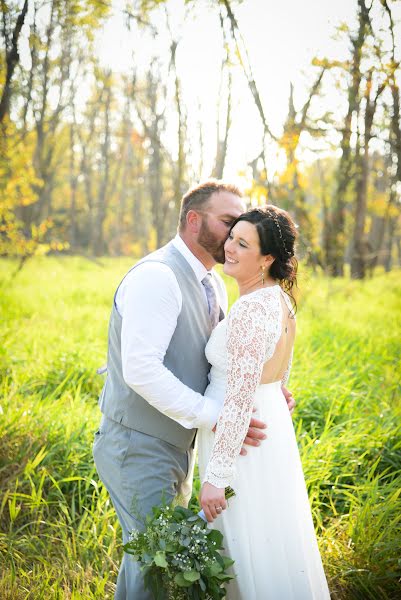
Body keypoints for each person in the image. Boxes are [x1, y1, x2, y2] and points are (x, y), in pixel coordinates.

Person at [93, 181, 295, 599]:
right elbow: (141, 369)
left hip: (181, 445)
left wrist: (266, 392)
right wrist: (216, 415)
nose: (235, 231)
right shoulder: (158, 277)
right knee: (154, 565)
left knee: (154, 563)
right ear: (193, 220)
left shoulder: (214, 282)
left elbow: (216, 362)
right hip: (140, 444)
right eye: (228, 223)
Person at [199, 205, 330, 599]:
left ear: (268, 258)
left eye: (243, 243)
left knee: (247, 546)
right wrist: (277, 392)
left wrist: (215, 479)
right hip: (266, 422)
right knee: (267, 537)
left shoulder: (252, 309)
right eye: (231, 238)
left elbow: (239, 398)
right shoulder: (279, 300)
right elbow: (277, 374)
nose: (230, 249)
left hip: (243, 445)